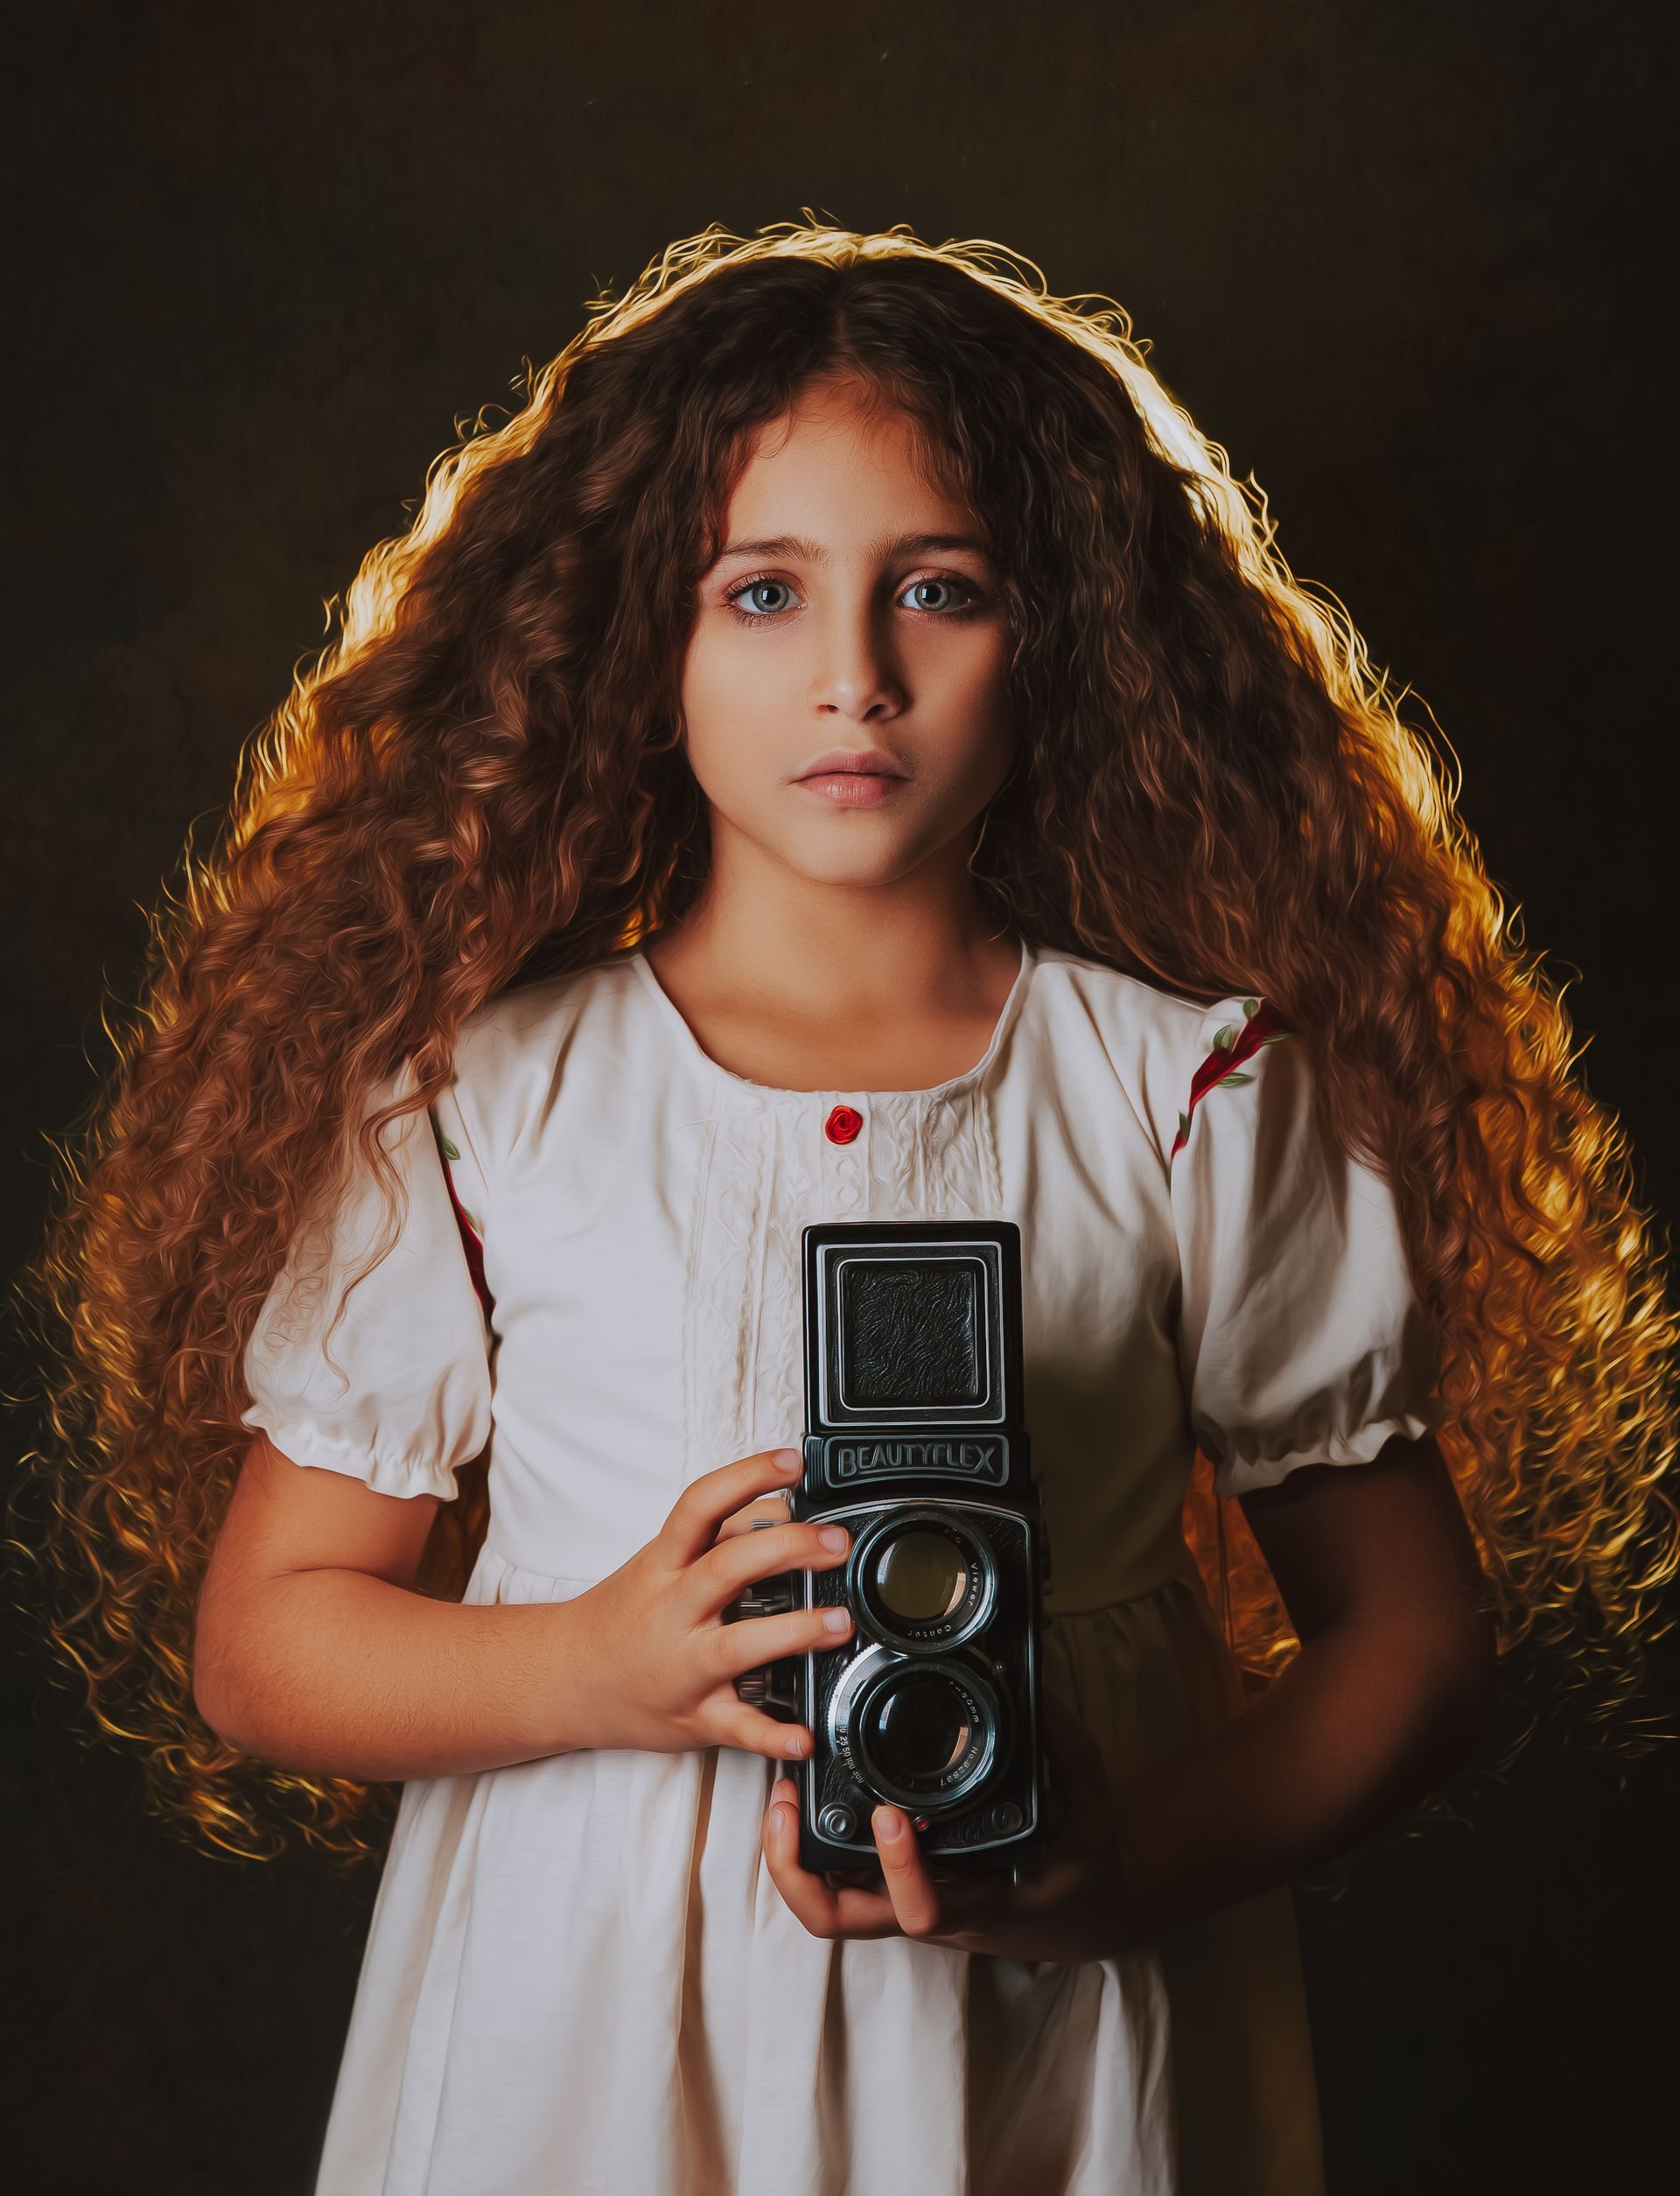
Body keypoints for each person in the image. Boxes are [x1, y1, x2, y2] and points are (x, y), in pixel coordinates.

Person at [25, 223, 1676, 2196]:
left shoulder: (1194, 1097)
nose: (854, 677)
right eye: (763, 593)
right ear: (644, 635)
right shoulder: (481, 1099)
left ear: (1057, 631)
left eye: (942, 590)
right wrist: (591, 1663)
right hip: (589, 2039)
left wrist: (1119, 1871)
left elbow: (1411, 1640)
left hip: (1059, 2046)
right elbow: (267, 1644)